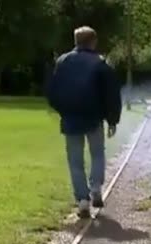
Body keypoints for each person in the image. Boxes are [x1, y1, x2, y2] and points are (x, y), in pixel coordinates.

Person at [47, 26, 122, 218]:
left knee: (75, 161)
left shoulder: (62, 61)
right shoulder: (100, 63)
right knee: (97, 154)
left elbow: (52, 90)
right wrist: (112, 119)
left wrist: (62, 110)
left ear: (76, 41)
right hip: (94, 118)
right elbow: (111, 94)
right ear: (93, 41)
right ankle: (96, 187)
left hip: (71, 118)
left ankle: (82, 200)